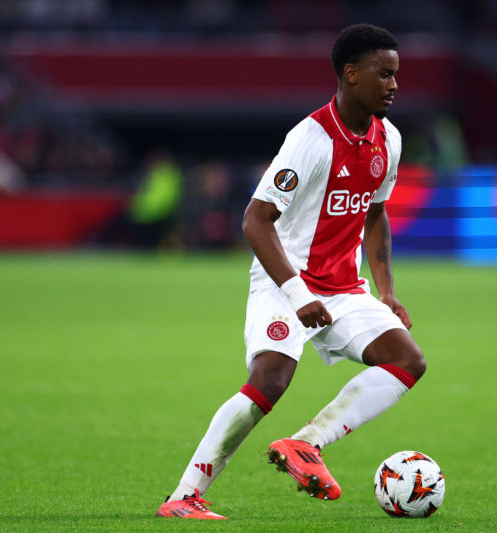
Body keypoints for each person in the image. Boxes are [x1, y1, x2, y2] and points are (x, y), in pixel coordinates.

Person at [155, 23, 425, 520]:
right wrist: (298, 294)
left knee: (407, 360)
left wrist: (387, 292)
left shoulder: (389, 138)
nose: (393, 85)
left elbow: (375, 214)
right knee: (271, 377)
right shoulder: (311, 138)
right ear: (350, 74)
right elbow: (256, 221)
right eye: (383, 74)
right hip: (285, 282)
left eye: (396, 75)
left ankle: (307, 444)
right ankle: (183, 496)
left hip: (343, 286)